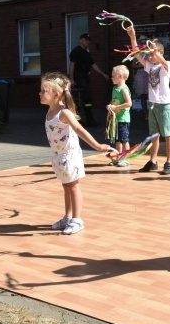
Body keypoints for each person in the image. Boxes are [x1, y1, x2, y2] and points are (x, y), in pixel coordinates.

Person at [40, 72, 116, 235]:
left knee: (73, 187)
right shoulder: (49, 113)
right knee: (66, 186)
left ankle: (77, 219)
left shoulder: (64, 113)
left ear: (56, 94)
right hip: (58, 157)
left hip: (70, 156)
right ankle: (68, 217)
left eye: (43, 91)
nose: (40, 93)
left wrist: (97, 146)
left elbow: (79, 130)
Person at [126, 26, 170, 174]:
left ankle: (169, 162)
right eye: (148, 54)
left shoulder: (166, 65)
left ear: (160, 53)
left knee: (168, 134)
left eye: (151, 54)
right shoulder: (150, 67)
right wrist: (133, 37)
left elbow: (166, 63)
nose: (148, 56)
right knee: (154, 135)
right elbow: (137, 55)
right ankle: (153, 161)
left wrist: (155, 51)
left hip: (164, 105)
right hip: (153, 104)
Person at [69, 33, 109, 126]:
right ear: (81, 40)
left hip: (86, 78)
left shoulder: (87, 53)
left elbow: (93, 65)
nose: (88, 41)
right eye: (86, 39)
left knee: (87, 100)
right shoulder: (76, 51)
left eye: (88, 40)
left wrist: (103, 74)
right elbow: (72, 65)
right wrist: (71, 78)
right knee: (81, 99)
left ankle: (89, 120)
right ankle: (79, 121)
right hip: (78, 79)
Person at [107, 65, 132, 166]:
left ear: (120, 76)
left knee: (124, 139)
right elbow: (114, 102)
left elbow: (129, 103)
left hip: (123, 119)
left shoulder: (124, 89)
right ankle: (118, 158)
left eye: (113, 76)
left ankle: (125, 158)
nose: (111, 77)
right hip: (116, 119)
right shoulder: (115, 88)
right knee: (118, 139)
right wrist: (109, 106)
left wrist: (115, 108)